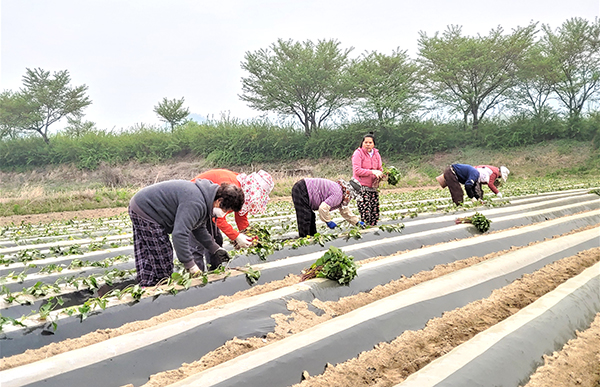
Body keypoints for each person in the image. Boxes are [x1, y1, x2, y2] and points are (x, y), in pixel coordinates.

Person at [128, 179, 244, 286]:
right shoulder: (195, 202)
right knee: (162, 257)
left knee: (153, 255)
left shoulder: (206, 201)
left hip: (145, 207)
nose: (224, 214)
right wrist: (190, 265)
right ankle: (157, 290)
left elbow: (198, 228)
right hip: (146, 210)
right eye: (226, 210)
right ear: (219, 201)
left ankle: (148, 284)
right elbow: (179, 234)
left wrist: (215, 248)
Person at [190, 169, 274, 270]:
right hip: (194, 203)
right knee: (197, 244)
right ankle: (196, 277)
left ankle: (215, 272)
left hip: (209, 208)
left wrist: (251, 238)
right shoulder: (230, 187)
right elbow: (219, 219)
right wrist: (236, 236)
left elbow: (241, 218)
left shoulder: (244, 191)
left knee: (216, 239)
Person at [291, 178, 365, 238]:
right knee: (305, 216)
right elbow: (323, 208)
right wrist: (328, 221)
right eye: (352, 196)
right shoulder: (338, 194)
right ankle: (305, 239)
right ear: (349, 192)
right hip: (302, 188)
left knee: (310, 216)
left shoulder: (342, 192)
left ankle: (312, 237)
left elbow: (344, 210)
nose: (351, 198)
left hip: (305, 189)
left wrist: (356, 222)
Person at [351, 132, 384, 226]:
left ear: (373, 144)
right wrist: (372, 172)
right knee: (365, 211)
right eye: (366, 142)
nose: (368, 144)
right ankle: (365, 229)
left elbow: (380, 168)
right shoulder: (358, 153)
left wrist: (382, 174)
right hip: (361, 186)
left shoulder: (376, 154)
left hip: (373, 186)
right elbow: (357, 170)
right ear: (362, 143)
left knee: (374, 211)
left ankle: (373, 229)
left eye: (370, 142)